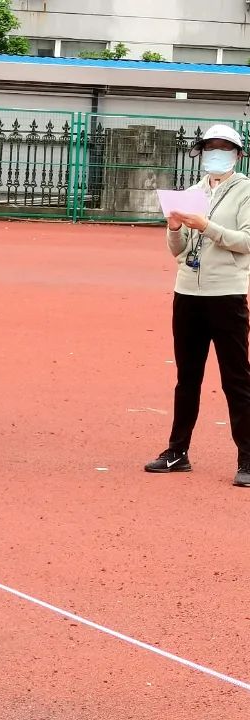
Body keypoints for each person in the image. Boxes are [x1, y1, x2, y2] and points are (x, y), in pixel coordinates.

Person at [144, 123, 250, 487]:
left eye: (224, 148)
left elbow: (246, 242)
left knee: (237, 378)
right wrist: (174, 227)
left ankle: (247, 458)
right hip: (187, 291)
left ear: (238, 155)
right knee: (187, 377)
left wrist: (207, 226)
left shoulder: (246, 191)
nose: (216, 154)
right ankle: (177, 451)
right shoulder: (190, 192)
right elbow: (178, 252)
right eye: (210, 148)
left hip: (226, 293)